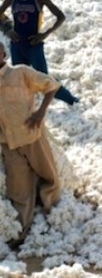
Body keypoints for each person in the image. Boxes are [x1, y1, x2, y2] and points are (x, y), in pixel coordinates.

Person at [0, 41, 61, 248]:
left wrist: (41, 112)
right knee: (18, 189)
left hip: (32, 136)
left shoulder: (21, 73)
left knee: (49, 176)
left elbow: (51, 85)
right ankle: (20, 231)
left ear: (4, 54)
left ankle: (54, 213)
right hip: (8, 143)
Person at [0, 0, 79, 105]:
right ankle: (24, 107)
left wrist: (45, 33)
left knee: (44, 79)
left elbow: (60, 16)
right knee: (19, 79)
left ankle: (71, 100)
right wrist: (8, 31)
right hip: (17, 45)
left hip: (33, 45)